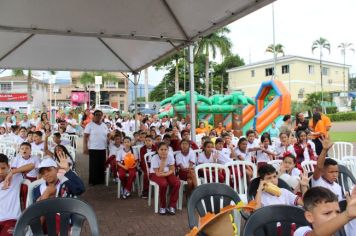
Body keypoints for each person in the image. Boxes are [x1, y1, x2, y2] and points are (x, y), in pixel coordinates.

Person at [149, 142, 180, 215]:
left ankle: (172, 205)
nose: (163, 151)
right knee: (163, 184)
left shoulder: (170, 156)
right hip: (155, 174)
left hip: (167, 173)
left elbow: (172, 169)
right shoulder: (154, 158)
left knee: (177, 183)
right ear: (158, 150)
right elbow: (159, 173)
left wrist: (166, 174)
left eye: (165, 149)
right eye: (161, 149)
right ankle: (162, 206)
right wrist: (163, 160)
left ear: (168, 150)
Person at [83, 110, 109, 185]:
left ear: (102, 116)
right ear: (94, 116)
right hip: (93, 148)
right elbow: (85, 137)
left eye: (100, 115)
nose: (98, 116)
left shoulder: (104, 125)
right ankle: (93, 181)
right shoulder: (89, 125)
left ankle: (101, 180)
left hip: (103, 148)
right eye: (97, 115)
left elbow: (107, 135)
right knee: (93, 166)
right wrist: (85, 148)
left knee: (101, 165)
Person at [0, 154, 23, 236]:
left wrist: (12, 173)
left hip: (11, 219)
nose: (0, 172)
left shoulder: (16, 177)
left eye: (3, 168)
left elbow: (32, 165)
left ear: (8, 166)